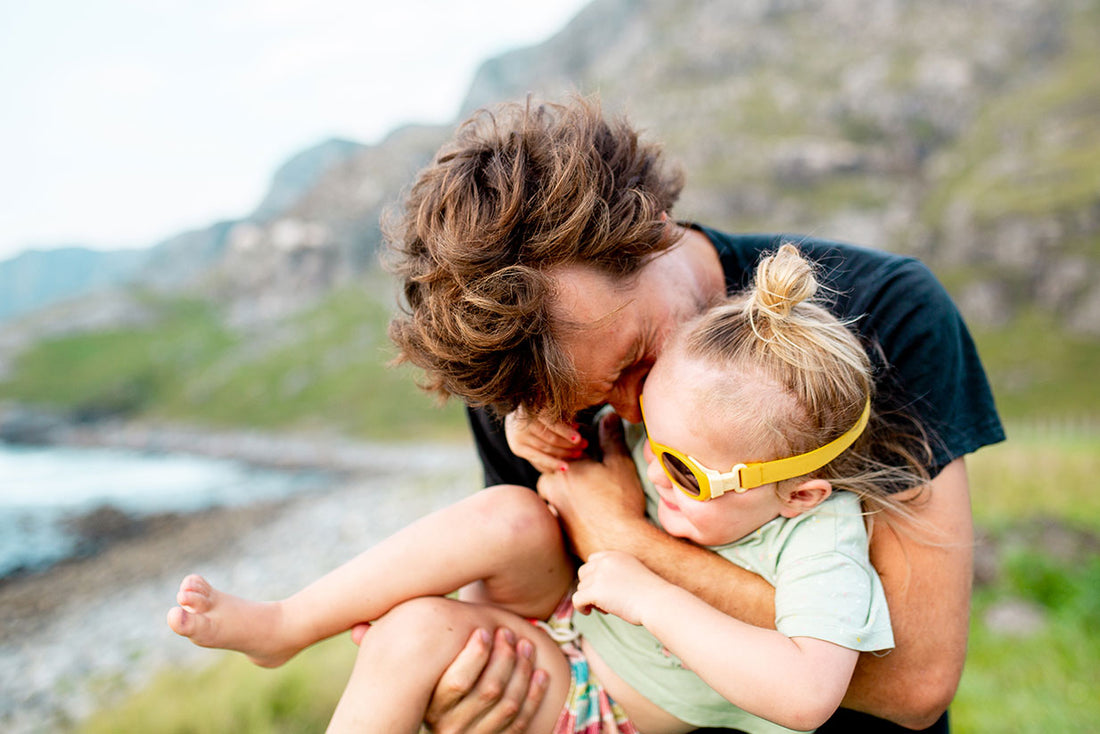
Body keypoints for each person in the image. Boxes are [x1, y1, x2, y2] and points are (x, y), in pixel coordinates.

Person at [384, 95, 1005, 734]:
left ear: (650, 232)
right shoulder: (522, 387)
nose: (634, 408)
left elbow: (916, 680)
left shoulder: (886, 317)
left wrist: (625, 542)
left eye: (634, 359)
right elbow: (535, 617)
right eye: (591, 401)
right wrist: (467, 686)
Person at [168, 245, 926, 733]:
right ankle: (287, 623)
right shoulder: (687, 435)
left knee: (411, 636)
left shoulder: (820, 540)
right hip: (573, 613)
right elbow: (578, 483)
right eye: (651, 437)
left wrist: (647, 587)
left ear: (796, 493)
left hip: (606, 697)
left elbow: (805, 694)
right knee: (507, 513)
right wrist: (539, 443)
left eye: (686, 472)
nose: (654, 467)